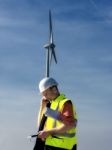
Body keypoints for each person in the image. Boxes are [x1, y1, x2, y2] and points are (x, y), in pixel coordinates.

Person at [37, 77, 77, 150]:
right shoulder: (51, 105)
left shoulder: (65, 103)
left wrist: (48, 132)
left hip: (62, 146)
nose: (44, 96)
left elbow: (69, 125)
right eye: (43, 94)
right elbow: (40, 126)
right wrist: (42, 106)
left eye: (45, 93)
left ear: (54, 89)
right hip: (51, 145)